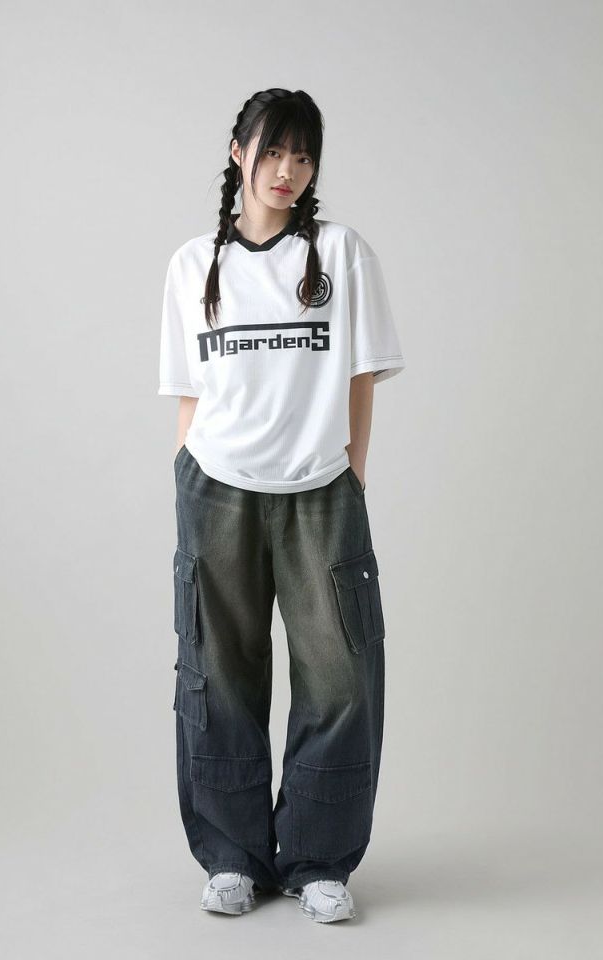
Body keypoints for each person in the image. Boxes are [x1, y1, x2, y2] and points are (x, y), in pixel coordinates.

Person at [158, 88, 405, 923]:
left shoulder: (340, 251)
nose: (287, 170)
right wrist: (186, 468)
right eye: (271, 152)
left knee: (341, 678)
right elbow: (188, 388)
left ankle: (318, 859)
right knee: (217, 672)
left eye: (302, 156)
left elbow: (362, 373)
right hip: (217, 489)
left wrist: (353, 471)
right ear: (238, 153)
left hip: (320, 492)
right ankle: (232, 857)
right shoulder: (192, 264)